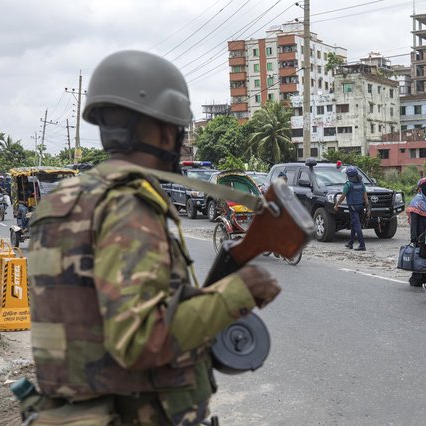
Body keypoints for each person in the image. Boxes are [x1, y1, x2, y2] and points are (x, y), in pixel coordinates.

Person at [27, 50, 281, 425]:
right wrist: (238, 291)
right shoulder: (128, 205)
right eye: (178, 130)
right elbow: (139, 340)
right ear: (165, 130)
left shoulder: (61, 201)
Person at [334, 166, 370, 251]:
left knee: (357, 226)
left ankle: (362, 245)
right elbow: (365, 197)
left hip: (353, 208)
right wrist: (368, 209)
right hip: (360, 207)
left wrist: (336, 205)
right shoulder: (361, 184)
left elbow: (342, 197)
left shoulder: (348, 184)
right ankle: (350, 243)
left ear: (349, 175)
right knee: (353, 224)